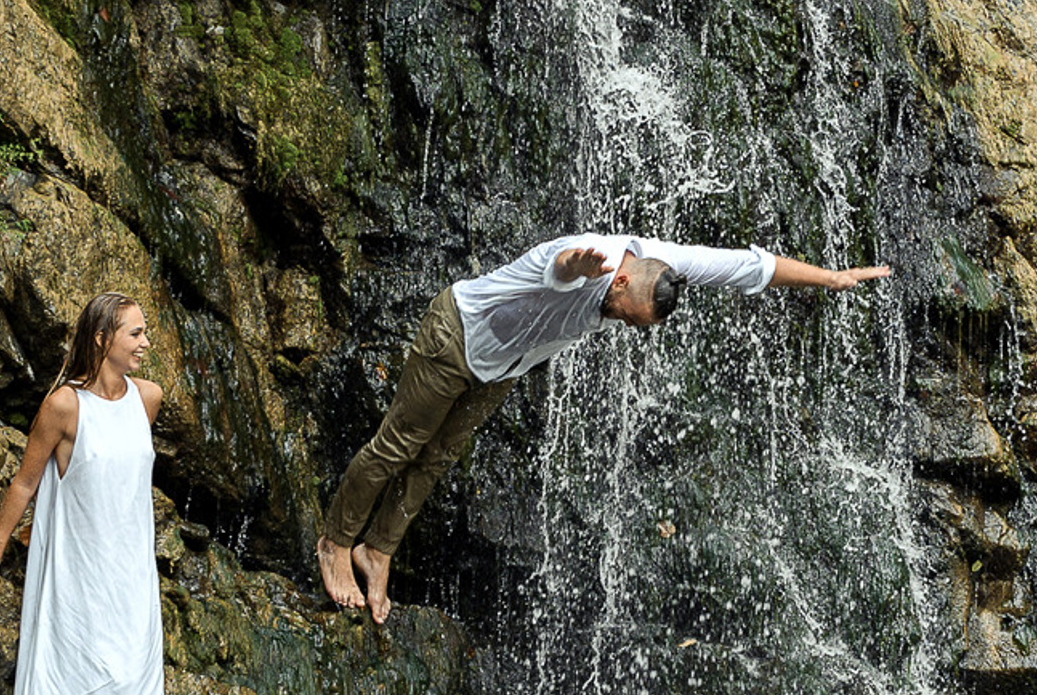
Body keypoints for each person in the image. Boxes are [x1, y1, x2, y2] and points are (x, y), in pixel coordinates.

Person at [319, 232, 892, 623]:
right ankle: (337, 542)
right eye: (629, 318)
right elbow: (561, 265)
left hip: (501, 367)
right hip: (457, 337)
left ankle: (380, 548)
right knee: (398, 446)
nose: (627, 328)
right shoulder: (582, 263)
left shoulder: (656, 263)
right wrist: (578, 265)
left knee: (436, 460)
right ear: (618, 285)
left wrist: (830, 279)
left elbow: (749, 267)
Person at [0, 292, 168, 695]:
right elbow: (25, 483)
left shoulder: (148, 398)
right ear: (101, 338)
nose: (145, 342)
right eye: (134, 333)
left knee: (130, 686)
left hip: (133, 578)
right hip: (81, 576)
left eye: (144, 331)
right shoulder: (64, 405)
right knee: (77, 674)